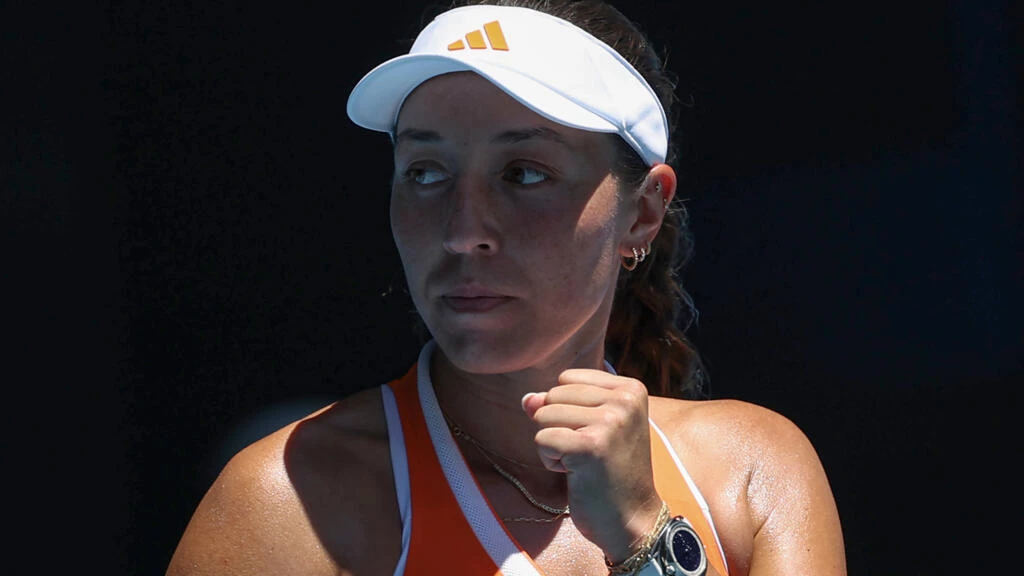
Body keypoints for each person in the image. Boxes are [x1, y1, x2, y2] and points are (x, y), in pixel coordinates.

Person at [166, 1, 846, 574]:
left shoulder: (754, 470)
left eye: (523, 174)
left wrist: (643, 536)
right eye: (426, 172)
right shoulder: (286, 502)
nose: (464, 232)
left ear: (641, 211)